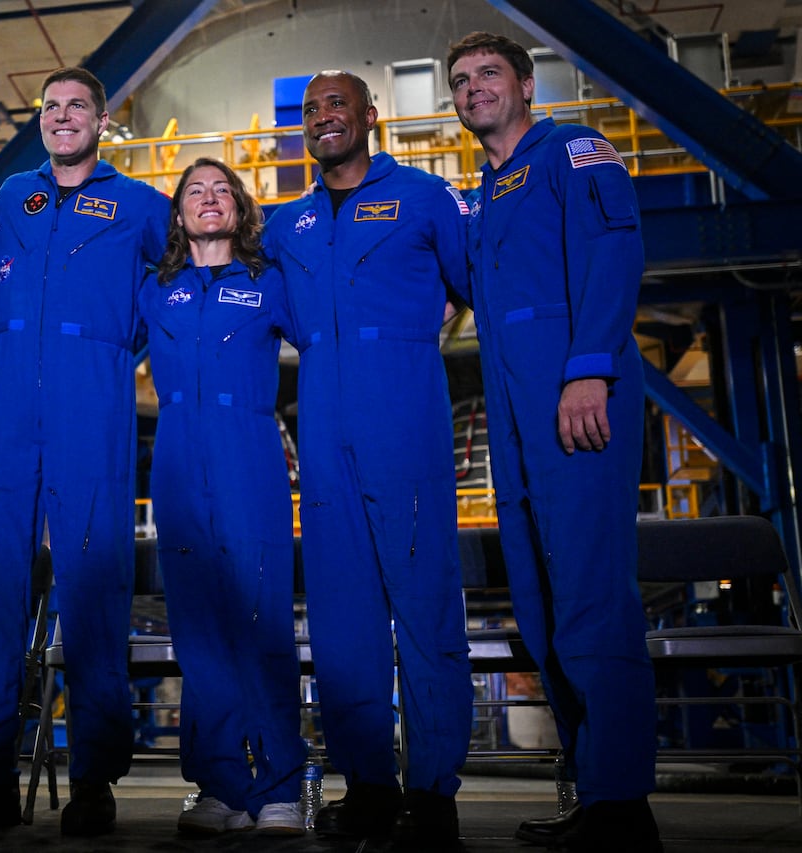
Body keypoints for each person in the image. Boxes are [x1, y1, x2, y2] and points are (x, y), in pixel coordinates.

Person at [0, 67, 169, 838]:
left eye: (77, 106)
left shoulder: (142, 206)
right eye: (51, 108)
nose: (63, 117)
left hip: (91, 405)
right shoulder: (9, 199)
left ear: (103, 120)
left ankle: (93, 781)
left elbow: (199, 261)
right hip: (5, 406)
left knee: (94, 593)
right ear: (39, 121)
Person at [447, 32, 661, 852]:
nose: (472, 90)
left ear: (527, 84)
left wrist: (588, 367)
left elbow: (614, 252)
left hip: (578, 401)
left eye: (488, 74)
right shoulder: (487, 191)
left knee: (591, 600)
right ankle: (595, 789)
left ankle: (621, 807)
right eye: (460, 82)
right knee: (539, 604)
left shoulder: (573, 149)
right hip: (513, 413)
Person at [261, 70, 474, 852]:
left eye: (335, 104)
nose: (323, 117)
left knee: (424, 605)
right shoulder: (287, 226)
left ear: (370, 115)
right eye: (311, 109)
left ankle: (433, 788)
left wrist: (423, 326)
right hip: (320, 419)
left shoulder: (424, 196)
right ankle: (370, 782)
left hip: (404, 414)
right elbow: (272, 314)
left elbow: (470, 280)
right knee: (343, 618)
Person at [139, 158, 305, 836]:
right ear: (178, 214)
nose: (209, 200)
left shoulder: (269, 284)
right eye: (194, 192)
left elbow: (331, 337)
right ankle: (219, 784)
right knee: (198, 627)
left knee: (261, 618)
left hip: (248, 451)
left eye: (221, 190)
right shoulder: (155, 289)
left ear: (239, 208)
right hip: (176, 457)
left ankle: (280, 786)